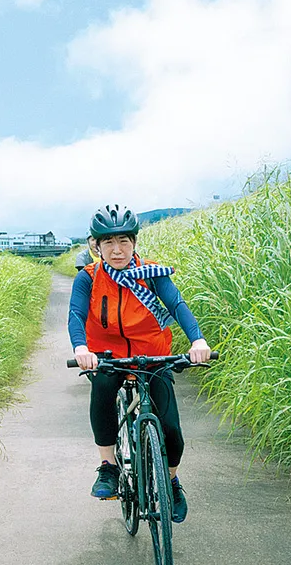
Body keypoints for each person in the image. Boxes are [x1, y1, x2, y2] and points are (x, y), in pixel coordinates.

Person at [68, 204, 211, 523]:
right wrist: (81, 348)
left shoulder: (153, 274)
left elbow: (176, 304)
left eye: (123, 241)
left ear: (134, 243)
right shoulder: (88, 278)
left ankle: (171, 482)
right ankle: (108, 467)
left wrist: (197, 340)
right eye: (108, 243)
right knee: (102, 388)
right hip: (107, 357)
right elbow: (76, 315)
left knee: (171, 427)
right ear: (96, 246)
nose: (116, 250)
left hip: (153, 356)